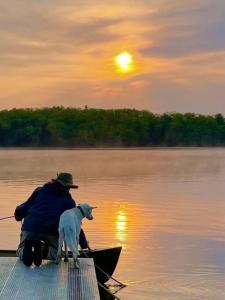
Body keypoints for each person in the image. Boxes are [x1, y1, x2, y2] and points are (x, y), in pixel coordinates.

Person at [14, 172, 90, 267]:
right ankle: (43, 251)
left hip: (30, 227)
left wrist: (18, 215)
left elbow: (24, 207)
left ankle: (24, 251)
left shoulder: (39, 191)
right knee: (56, 254)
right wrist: (84, 244)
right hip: (50, 231)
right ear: (67, 187)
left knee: (21, 248)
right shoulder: (69, 202)